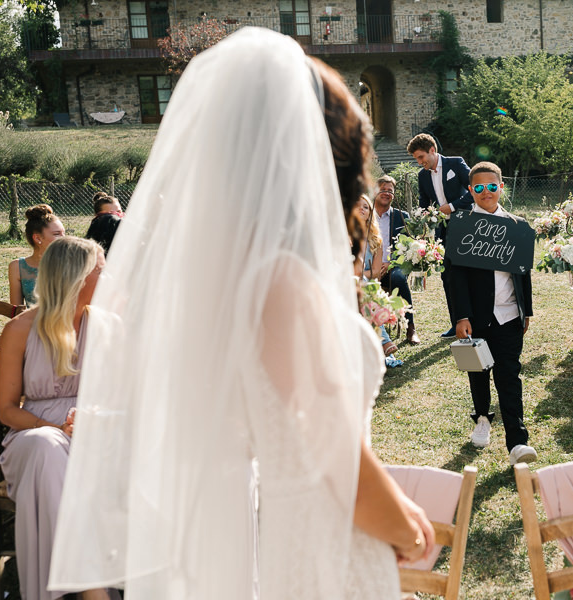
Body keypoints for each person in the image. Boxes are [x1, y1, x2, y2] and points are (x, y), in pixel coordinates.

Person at [48, 28, 433, 599]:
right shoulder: (281, 281)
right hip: (331, 550)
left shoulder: (234, 276)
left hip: (288, 540)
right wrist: (409, 529)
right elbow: (333, 459)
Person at [0, 237, 109, 600]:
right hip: (33, 432)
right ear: (77, 279)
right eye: (101, 272)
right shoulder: (20, 330)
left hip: (97, 433)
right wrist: (53, 428)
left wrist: (98, 419)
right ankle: (92, 590)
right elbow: (6, 410)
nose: (110, 279)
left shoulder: (110, 327)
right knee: (47, 451)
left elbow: (130, 398)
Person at [450, 161, 537, 466]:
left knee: (509, 375)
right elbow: (455, 277)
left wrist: (526, 310)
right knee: (478, 372)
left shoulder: (517, 225)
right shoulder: (461, 225)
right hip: (475, 317)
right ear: (470, 190)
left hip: (511, 314)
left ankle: (517, 442)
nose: (486, 192)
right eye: (478, 188)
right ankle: (483, 418)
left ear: (501, 187)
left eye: (491, 186)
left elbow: (523, 273)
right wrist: (461, 317)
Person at [406, 132, 474, 338]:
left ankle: (474, 320)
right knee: (447, 276)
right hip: (443, 232)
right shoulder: (423, 176)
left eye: (421, 157)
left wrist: (452, 207)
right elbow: (424, 204)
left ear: (432, 151)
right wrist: (421, 224)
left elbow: (475, 189)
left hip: (467, 227)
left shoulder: (456, 163)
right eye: (416, 159)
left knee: (469, 274)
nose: (419, 163)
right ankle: (456, 323)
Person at [373, 175, 419, 345]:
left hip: (394, 266)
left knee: (398, 278)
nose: (386, 193)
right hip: (369, 265)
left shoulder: (402, 217)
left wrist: (391, 262)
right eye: (383, 190)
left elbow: (408, 248)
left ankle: (411, 327)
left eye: (390, 191)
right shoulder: (366, 213)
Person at [356, 194, 401, 363]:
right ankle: (384, 340)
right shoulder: (343, 236)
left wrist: (359, 275)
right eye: (357, 206)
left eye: (366, 207)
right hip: (343, 283)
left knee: (364, 284)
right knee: (362, 284)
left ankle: (380, 341)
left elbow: (375, 272)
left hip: (365, 284)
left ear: (370, 213)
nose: (362, 208)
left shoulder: (375, 240)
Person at [8, 204, 65, 307]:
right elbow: (17, 312)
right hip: (32, 322)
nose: (64, 238)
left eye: (63, 233)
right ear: (38, 238)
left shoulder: (71, 263)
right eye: (57, 234)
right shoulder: (17, 267)